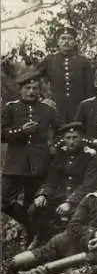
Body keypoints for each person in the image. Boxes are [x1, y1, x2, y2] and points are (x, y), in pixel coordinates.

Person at [8, 169, 97, 274]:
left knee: (86, 262)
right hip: (78, 238)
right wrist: (94, 231)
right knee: (51, 247)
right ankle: (9, 264)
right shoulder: (90, 199)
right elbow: (74, 224)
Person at [1, 70, 61, 248]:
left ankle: (35, 238)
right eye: (27, 88)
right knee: (4, 201)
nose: (31, 92)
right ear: (21, 90)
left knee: (33, 202)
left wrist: (53, 146)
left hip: (39, 163)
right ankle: (30, 228)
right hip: (15, 163)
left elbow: (61, 132)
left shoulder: (47, 110)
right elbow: (2, 133)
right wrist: (21, 132)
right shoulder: (11, 107)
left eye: (35, 88)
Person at [30, 122, 97, 247]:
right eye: (68, 138)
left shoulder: (90, 156)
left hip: (81, 199)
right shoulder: (60, 154)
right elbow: (51, 180)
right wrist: (43, 194)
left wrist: (70, 202)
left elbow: (88, 185)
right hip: (59, 196)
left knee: (76, 221)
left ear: (82, 138)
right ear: (63, 139)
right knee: (35, 208)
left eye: (75, 137)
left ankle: (69, 247)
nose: (71, 141)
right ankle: (40, 237)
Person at [37, 27, 95, 123]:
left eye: (70, 38)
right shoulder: (50, 59)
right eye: (63, 38)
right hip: (56, 106)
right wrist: (42, 99)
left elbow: (90, 87)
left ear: (75, 42)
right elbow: (33, 78)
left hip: (78, 107)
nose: (66, 42)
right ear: (58, 42)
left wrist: (88, 106)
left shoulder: (83, 61)